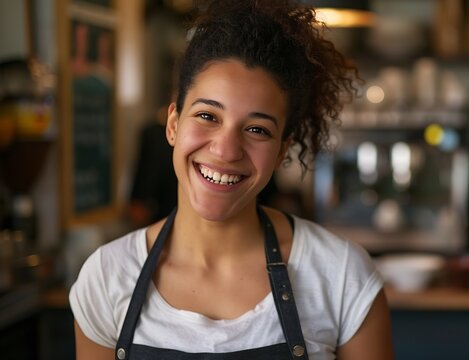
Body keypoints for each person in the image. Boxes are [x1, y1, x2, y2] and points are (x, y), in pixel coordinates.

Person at [69, 1, 394, 359]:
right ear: (174, 123)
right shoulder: (106, 277)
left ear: (283, 150)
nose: (225, 150)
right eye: (208, 115)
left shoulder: (341, 275)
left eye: (257, 129)